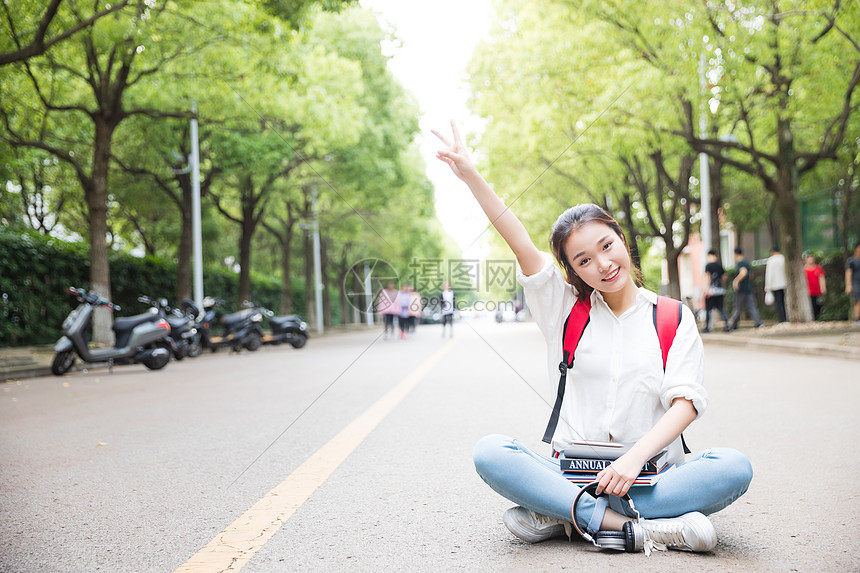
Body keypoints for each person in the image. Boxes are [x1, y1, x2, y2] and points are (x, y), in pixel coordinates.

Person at [434, 122, 752, 554]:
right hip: (571, 474)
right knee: (491, 452)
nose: (603, 264)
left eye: (607, 246)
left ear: (622, 238)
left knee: (733, 467)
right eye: (584, 260)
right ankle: (638, 527)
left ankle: (565, 516)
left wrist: (634, 458)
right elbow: (520, 241)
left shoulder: (673, 317)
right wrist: (470, 174)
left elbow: (686, 403)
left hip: (650, 475)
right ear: (573, 271)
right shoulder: (564, 311)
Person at [729, 247, 763, 330]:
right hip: (748, 287)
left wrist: (736, 280)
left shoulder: (740, 263)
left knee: (737, 307)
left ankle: (733, 325)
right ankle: (758, 323)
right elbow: (750, 275)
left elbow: (743, 272)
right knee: (751, 306)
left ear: (736, 254)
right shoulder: (747, 262)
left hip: (741, 289)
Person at [703, 250, 730, 333]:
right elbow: (724, 277)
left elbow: (707, 277)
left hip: (711, 291)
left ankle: (707, 327)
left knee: (708, 310)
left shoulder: (708, 266)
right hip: (719, 291)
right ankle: (727, 325)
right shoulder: (720, 265)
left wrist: (706, 290)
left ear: (709, 255)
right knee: (721, 309)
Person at [764, 246, 787, 323]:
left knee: (779, 302)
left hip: (775, 284)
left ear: (772, 252)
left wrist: (767, 286)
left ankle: (782, 319)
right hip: (784, 283)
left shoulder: (771, 260)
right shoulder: (783, 258)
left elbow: (769, 274)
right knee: (784, 302)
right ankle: (786, 317)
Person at [803, 254, 827, 320]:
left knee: (818, 305)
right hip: (809, 291)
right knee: (811, 305)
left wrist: (823, 287)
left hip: (817, 291)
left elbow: (821, 278)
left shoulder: (818, 268)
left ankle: (817, 317)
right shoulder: (803, 269)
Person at [847, 242, 860, 324]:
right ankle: (857, 318)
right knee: (857, 301)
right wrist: (848, 285)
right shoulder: (851, 261)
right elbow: (848, 272)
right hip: (855, 283)